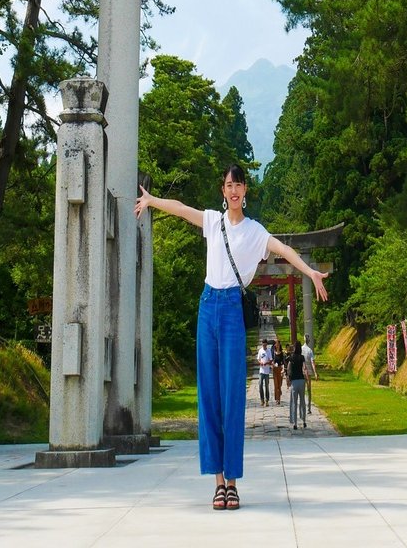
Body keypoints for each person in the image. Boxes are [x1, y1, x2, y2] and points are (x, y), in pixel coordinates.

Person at [134, 163, 329, 512]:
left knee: (232, 397)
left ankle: (234, 483)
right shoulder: (213, 221)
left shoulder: (255, 232)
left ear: (244, 191)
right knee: (208, 395)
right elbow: (181, 209)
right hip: (207, 305)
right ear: (223, 191)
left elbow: (284, 251)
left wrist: (310, 272)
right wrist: (151, 201)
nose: (234, 190)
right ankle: (218, 484)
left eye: (239, 184)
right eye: (229, 185)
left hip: (230, 311)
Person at [287, 340, 307, 430]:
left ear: (294, 348)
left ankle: (295, 423)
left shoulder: (291, 357)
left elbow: (288, 369)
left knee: (294, 402)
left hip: (294, 382)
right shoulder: (302, 357)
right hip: (301, 381)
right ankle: (304, 421)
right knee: (302, 401)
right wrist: (306, 378)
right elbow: (304, 368)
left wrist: (288, 379)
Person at [301, 334, 318, 414]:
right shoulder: (310, 350)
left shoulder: (300, 349)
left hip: (301, 371)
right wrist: (315, 373)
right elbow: (312, 362)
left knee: (302, 390)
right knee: (309, 389)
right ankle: (309, 408)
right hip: (309, 371)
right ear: (309, 341)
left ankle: (303, 406)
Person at [257, 338, 272, 406]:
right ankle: (262, 400)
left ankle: (267, 400)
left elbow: (271, 360)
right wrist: (260, 362)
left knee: (266, 386)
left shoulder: (269, 351)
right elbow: (258, 359)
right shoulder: (260, 350)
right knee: (260, 385)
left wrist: (267, 362)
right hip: (261, 371)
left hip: (267, 371)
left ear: (267, 345)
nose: (264, 346)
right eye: (263, 345)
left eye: (265, 345)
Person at [271, 337, 285, 405]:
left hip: (280, 369)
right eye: (275, 343)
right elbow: (272, 361)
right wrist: (272, 364)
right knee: (276, 385)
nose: (276, 345)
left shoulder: (282, 353)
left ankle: (279, 395)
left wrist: (283, 370)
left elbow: (283, 362)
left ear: (279, 344)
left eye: (277, 343)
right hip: (275, 369)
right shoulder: (273, 353)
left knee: (279, 385)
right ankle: (277, 399)